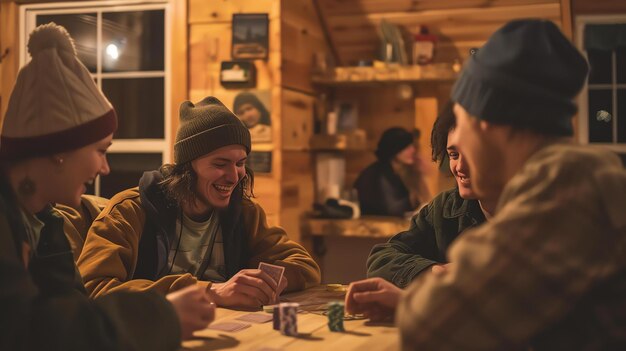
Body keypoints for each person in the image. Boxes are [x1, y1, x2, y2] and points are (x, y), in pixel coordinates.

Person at [346, 19, 626, 350]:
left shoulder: (567, 180)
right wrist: (411, 300)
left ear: (485, 121)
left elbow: (432, 327)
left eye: (460, 122)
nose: (458, 151)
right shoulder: (581, 172)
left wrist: (419, 304)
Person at [0, 23, 214, 351]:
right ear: (59, 149)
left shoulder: (45, 219)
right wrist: (163, 315)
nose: (105, 167)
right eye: (100, 150)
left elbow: (71, 310)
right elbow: (34, 331)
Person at [77, 96, 321, 309]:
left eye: (240, 163)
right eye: (220, 164)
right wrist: (211, 292)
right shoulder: (130, 211)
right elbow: (93, 288)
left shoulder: (245, 214)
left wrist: (265, 282)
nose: (235, 176)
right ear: (186, 167)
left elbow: (304, 265)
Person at [366, 102, 496, 287]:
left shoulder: (535, 210)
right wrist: (436, 272)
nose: (459, 167)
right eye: (454, 155)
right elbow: (382, 259)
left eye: (472, 154)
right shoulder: (445, 208)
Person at [354, 127, 431, 217]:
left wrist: (419, 174)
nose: (413, 150)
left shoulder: (396, 172)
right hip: (370, 227)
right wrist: (412, 199)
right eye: (406, 147)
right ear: (394, 151)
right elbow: (391, 209)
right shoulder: (380, 174)